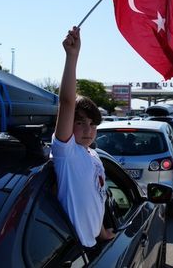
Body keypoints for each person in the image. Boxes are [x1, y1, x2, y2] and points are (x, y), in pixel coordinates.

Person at [51, 26, 115, 255]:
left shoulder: (94, 155)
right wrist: (72, 56)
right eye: (80, 122)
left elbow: (94, 199)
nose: (88, 130)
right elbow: (67, 103)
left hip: (93, 245)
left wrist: (103, 233)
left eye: (93, 124)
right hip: (72, 252)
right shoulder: (66, 153)